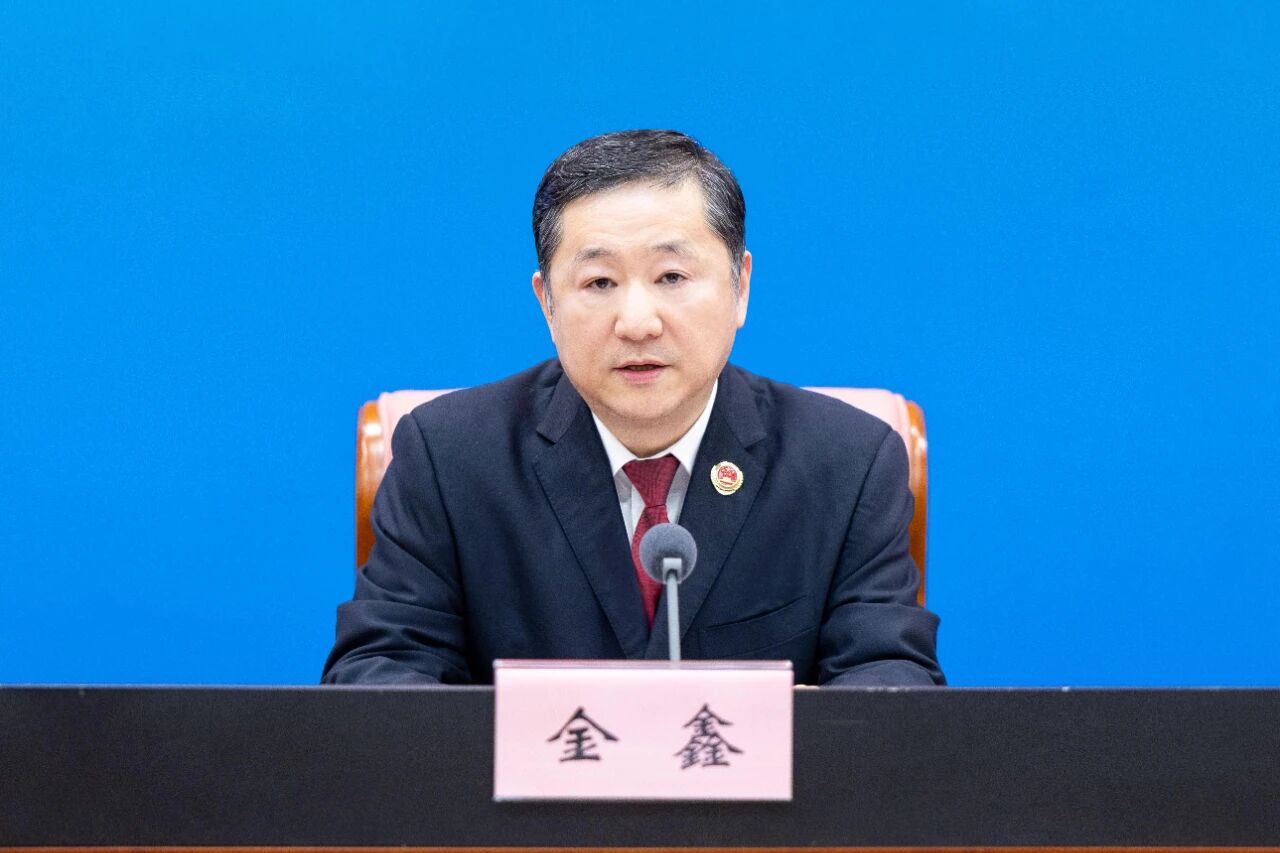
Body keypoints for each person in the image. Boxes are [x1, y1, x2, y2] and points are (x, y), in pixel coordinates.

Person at [322, 130, 944, 686]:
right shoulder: (449, 456)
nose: (637, 322)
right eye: (599, 283)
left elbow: (890, 681)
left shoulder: (847, 463)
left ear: (740, 287)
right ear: (547, 304)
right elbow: (378, 671)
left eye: (671, 277)